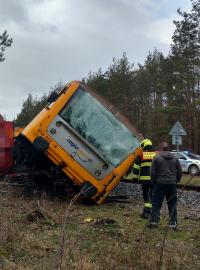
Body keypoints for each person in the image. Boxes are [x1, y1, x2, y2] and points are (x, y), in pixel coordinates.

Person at [148, 142, 182, 229]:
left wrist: (154, 181)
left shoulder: (157, 158)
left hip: (159, 183)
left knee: (156, 203)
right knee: (172, 204)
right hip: (172, 184)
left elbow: (152, 172)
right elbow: (180, 171)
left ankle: (154, 222)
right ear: (168, 149)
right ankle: (172, 224)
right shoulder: (175, 158)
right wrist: (176, 180)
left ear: (161, 149)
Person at [132, 139, 156, 218]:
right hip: (154, 180)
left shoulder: (141, 155)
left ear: (144, 146)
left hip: (144, 180)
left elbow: (136, 168)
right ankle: (149, 211)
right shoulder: (155, 155)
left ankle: (146, 211)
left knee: (146, 195)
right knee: (152, 195)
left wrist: (135, 178)